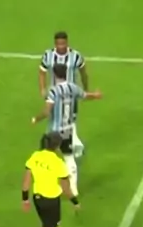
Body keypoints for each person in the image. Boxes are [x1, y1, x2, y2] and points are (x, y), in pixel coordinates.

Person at [32, 63, 102, 196]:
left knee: (46, 158)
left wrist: (36, 119)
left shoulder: (53, 91)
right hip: (68, 129)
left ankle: (47, 185)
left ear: (54, 75)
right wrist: (96, 95)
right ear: (66, 73)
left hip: (54, 131)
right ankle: (73, 189)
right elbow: (85, 95)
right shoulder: (73, 87)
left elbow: (47, 111)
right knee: (69, 158)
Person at [21, 131, 78, 227]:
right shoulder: (58, 163)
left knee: (55, 225)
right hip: (51, 201)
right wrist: (75, 201)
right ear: (57, 146)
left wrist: (25, 199)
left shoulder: (35, 156)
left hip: (37, 199)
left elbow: (26, 180)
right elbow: (66, 189)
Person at [39, 32, 88, 157]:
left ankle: (71, 145)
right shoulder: (48, 55)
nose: (61, 46)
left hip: (70, 94)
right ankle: (63, 145)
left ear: (67, 42)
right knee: (54, 119)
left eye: (63, 43)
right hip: (54, 94)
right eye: (58, 44)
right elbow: (42, 72)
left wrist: (85, 88)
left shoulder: (75, 56)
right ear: (55, 44)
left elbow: (83, 72)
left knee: (69, 120)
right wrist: (43, 89)